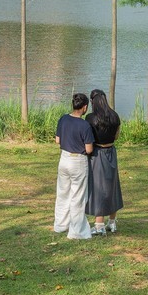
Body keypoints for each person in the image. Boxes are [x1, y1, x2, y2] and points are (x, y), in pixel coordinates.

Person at [53, 92, 94, 240]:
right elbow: (89, 149)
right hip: (78, 161)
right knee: (78, 196)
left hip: (63, 159)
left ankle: (60, 224)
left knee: (63, 193)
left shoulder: (63, 119)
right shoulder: (85, 125)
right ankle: (77, 231)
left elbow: (57, 140)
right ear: (84, 107)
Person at [85, 88, 124, 235]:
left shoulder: (90, 118)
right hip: (111, 152)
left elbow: (88, 138)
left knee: (98, 187)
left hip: (97, 154)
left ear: (92, 101)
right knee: (112, 185)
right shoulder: (115, 116)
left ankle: (99, 224)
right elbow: (116, 136)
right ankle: (112, 222)